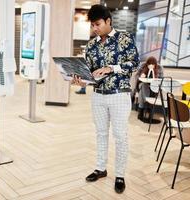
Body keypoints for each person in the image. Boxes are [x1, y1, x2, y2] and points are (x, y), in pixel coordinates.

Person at [72, 5, 139, 193]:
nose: (95, 28)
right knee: (100, 133)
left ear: (108, 21)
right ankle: (101, 169)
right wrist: (82, 81)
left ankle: (120, 175)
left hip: (119, 95)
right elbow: (91, 73)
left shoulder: (125, 38)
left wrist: (111, 68)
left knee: (120, 136)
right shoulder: (92, 45)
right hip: (98, 96)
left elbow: (134, 63)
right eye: (92, 25)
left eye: (97, 24)